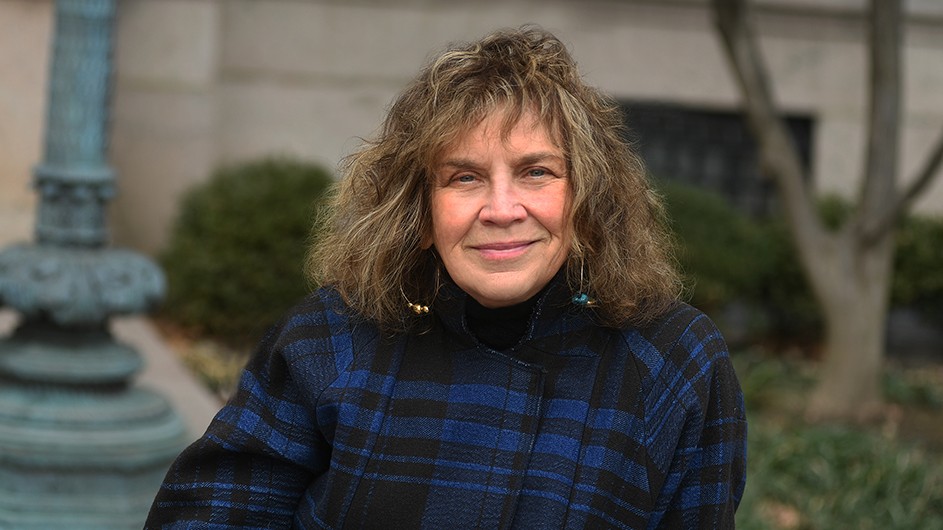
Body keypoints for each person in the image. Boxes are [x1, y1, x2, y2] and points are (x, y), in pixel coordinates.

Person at [146, 26, 747, 529]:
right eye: (464, 177)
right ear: (422, 214)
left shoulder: (673, 361)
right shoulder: (330, 337)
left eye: (536, 171)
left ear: (587, 203)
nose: (502, 208)